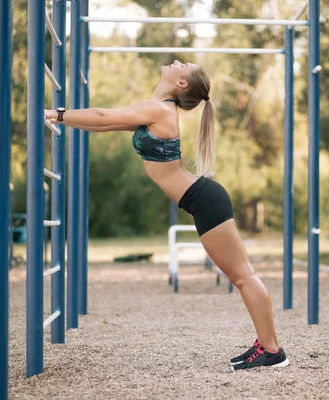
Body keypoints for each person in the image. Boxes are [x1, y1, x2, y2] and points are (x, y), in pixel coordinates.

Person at [45, 59, 289, 371]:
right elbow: (104, 122)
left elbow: (105, 116)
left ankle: (272, 350)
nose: (176, 61)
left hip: (205, 201)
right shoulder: (157, 108)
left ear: (182, 83)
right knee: (243, 276)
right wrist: (62, 119)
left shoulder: (159, 110)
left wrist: (56, 113)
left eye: (183, 64)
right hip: (201, 199)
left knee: (243, 276)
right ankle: (265, 343)